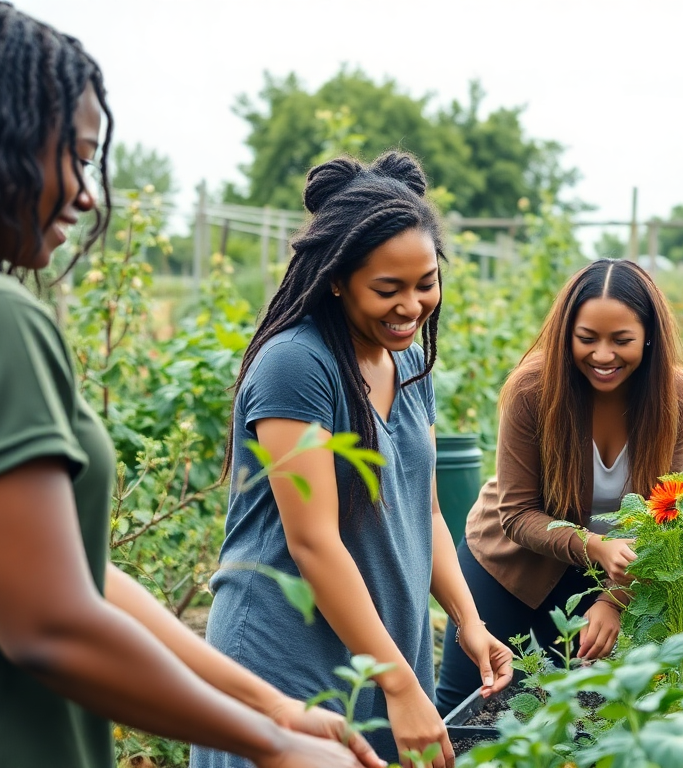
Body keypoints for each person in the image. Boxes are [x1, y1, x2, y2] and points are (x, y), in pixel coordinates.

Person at [0, 2, 381, 767]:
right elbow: (51, 623)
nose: (87, 195)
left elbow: (76, 573)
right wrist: (272, 745)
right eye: (76, 158)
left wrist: (271, 705)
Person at [192, 152, 513, 768]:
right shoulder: (297, 363)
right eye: (387, 290)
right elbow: (312, 541)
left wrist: (467, 620)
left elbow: (424, 513)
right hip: (287, 662)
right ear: (336, 278)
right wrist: (399, 685)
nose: (411, 307)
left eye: (426, 283)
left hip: (383, 657)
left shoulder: (408, 361)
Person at [436, 258, 683, 714]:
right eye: (587, 338)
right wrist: (596, 546)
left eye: (622, 340)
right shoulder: (533, 389)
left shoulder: (674, 395)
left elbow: (663, 513)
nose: (603, 355)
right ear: (566, 334)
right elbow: (517, 514)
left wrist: (614, 600)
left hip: (603, 575)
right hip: (508, 562)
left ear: (649, 337)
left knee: (593, 711)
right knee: (470, 704)